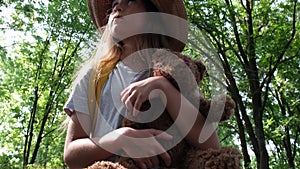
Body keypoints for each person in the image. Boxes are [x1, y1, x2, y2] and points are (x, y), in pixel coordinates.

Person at [63, 0, 220, 168]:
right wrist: (120, 139)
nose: (117, 7)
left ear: (154, 17)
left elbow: (210, 144)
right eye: (114, 3)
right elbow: (71, 155)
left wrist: (163, 87)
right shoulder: (94, 77)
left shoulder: (174, 73)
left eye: (130, 1)